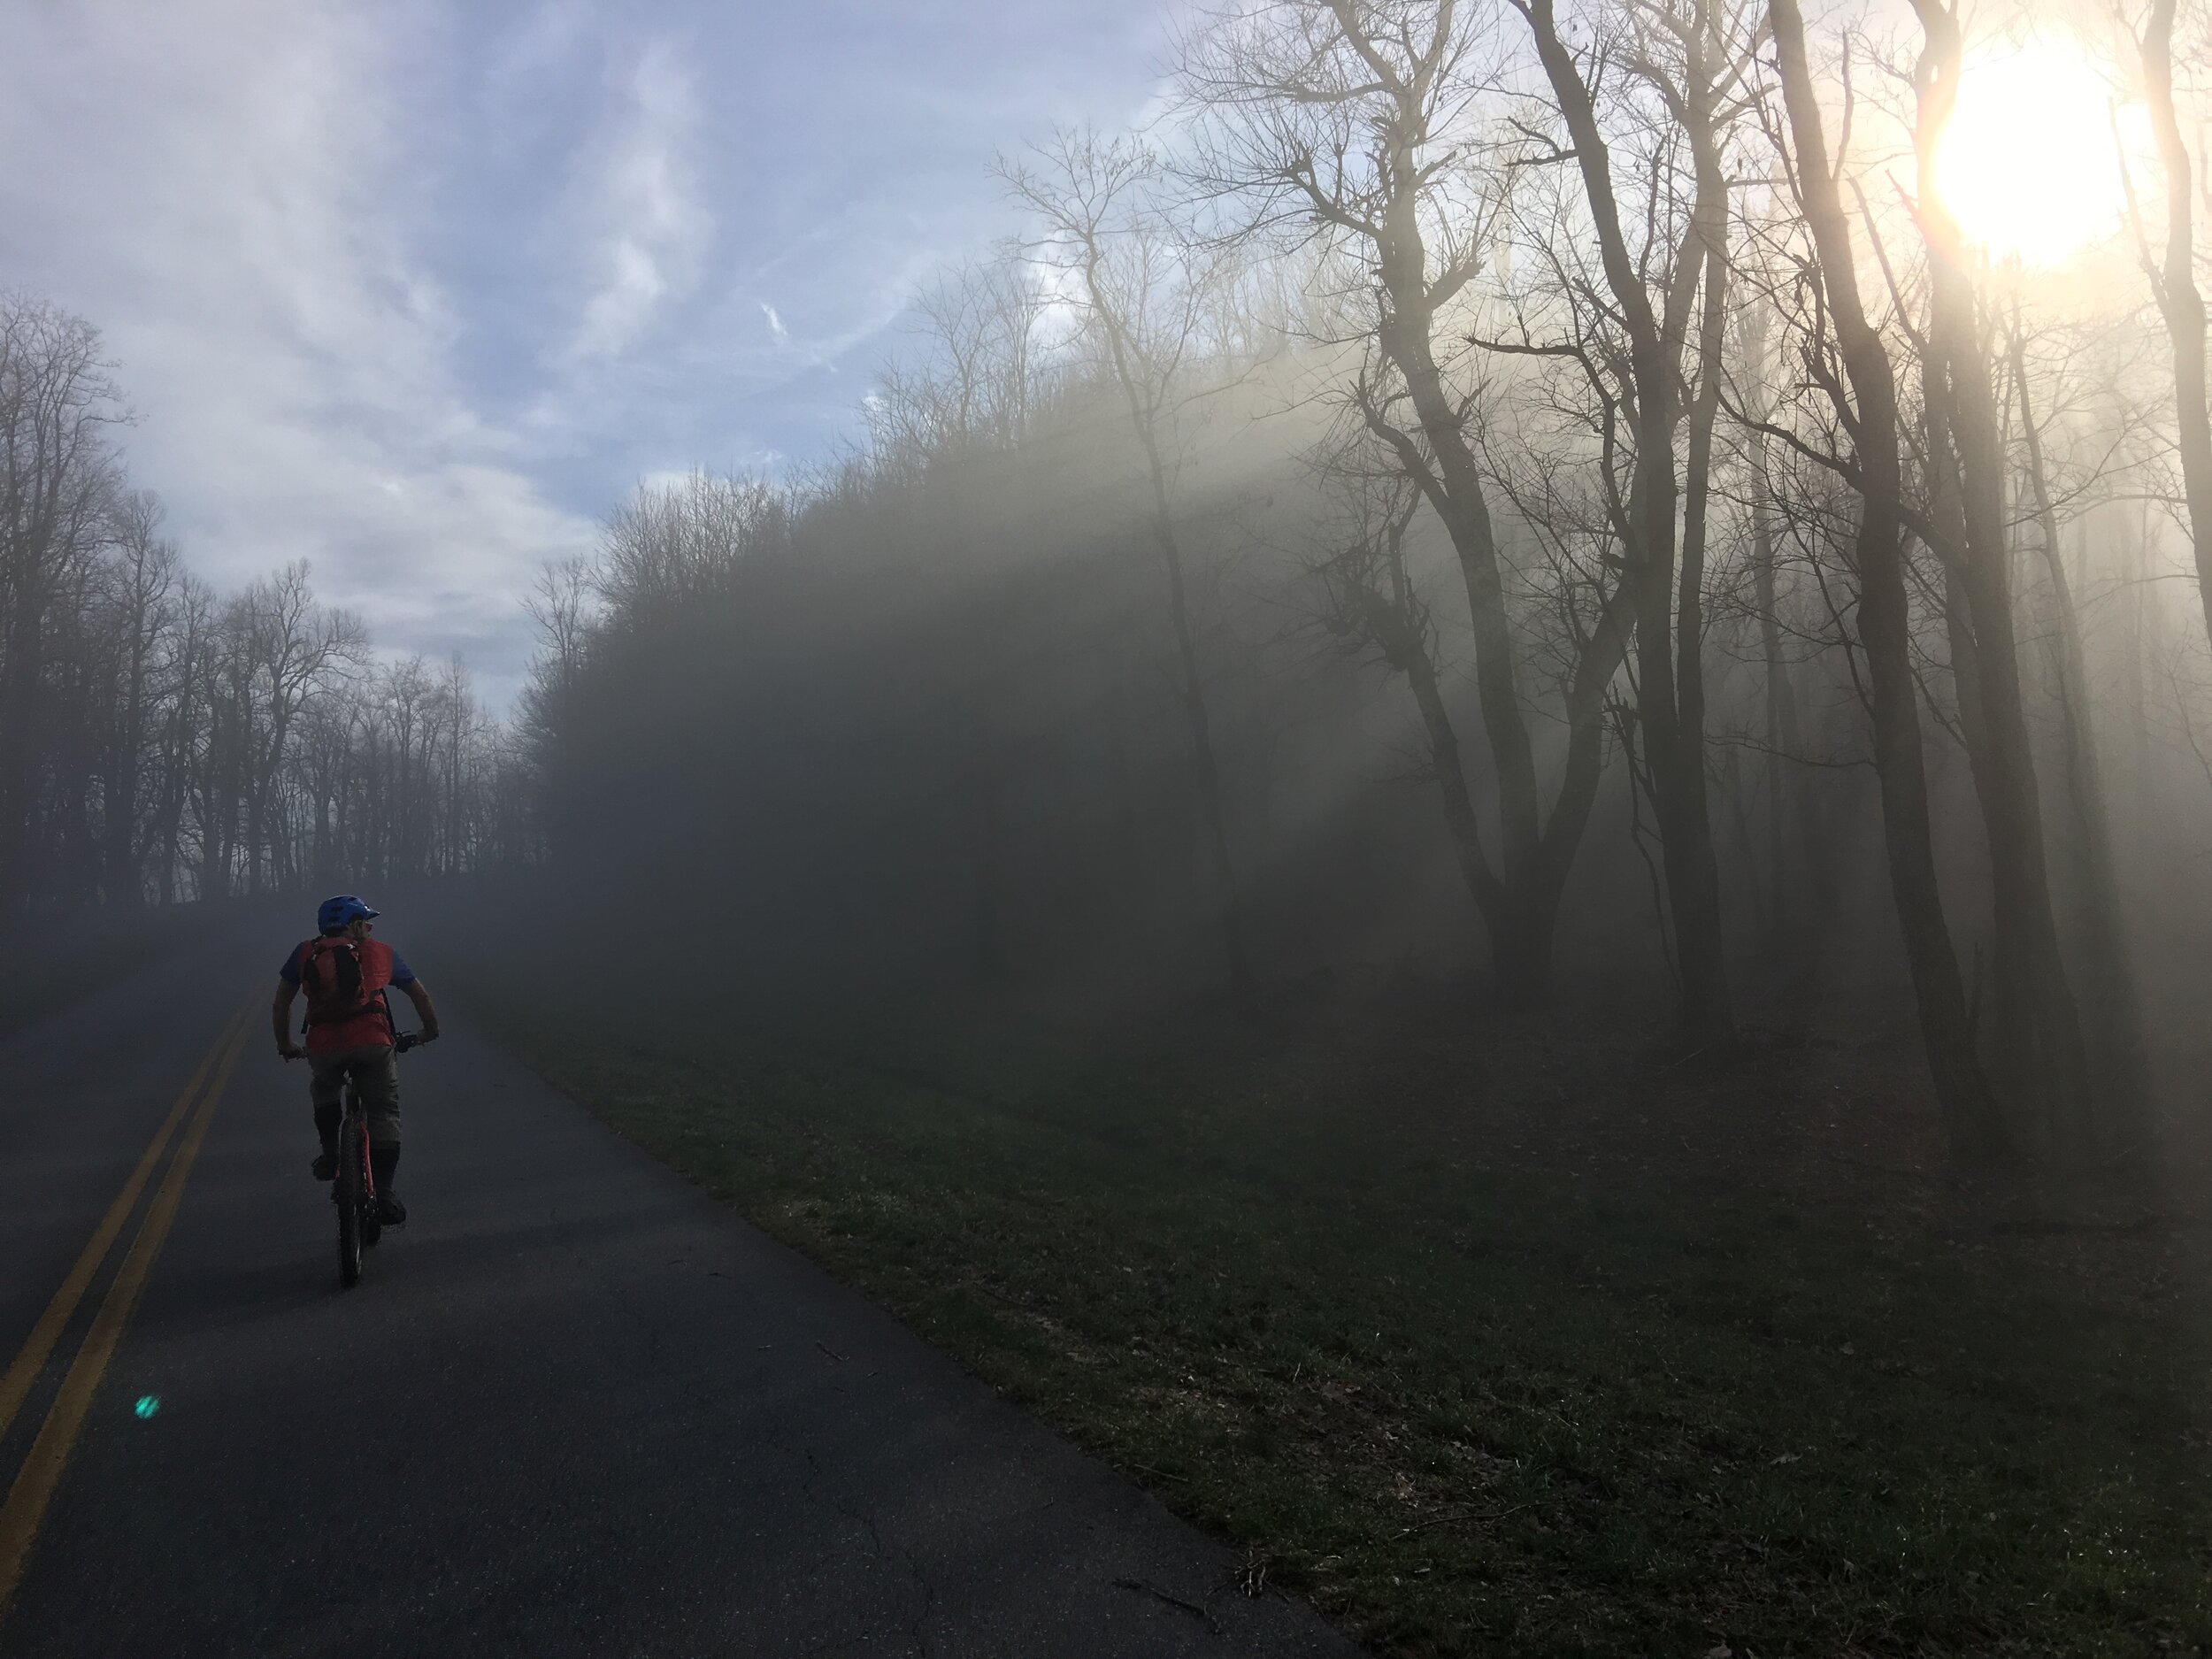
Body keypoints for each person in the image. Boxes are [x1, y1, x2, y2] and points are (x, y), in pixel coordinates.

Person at [273, 895, 439, 1225]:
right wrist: (429, 1031)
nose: (371, 927)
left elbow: (281, 1004)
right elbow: (420, 994)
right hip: (374, 1045)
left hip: (323, 1048)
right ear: (356, 925)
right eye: (367, 921)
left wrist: (286, 1044)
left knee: (325, 1088)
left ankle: (331, 1154)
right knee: (384, 1112)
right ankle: (386, 1194)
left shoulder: (305, 952)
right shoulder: (382, 952)